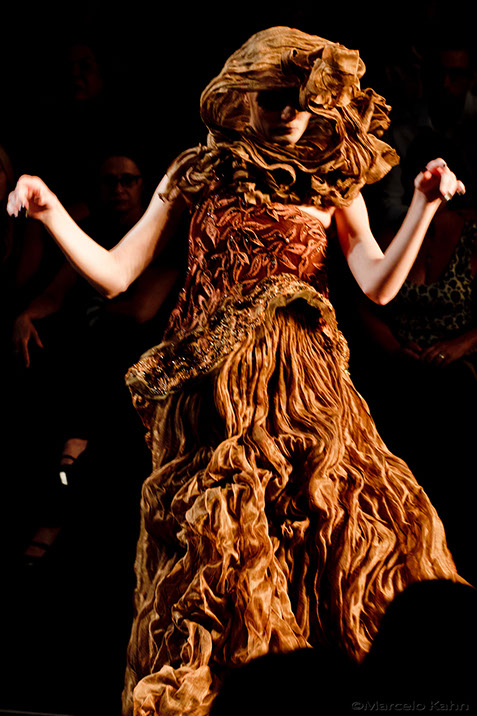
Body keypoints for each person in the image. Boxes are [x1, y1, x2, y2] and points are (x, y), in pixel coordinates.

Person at [7, 27, 468, 716]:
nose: (289, 113)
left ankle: (341, 691)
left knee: (342, 522)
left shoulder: (331, 177)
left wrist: (425, 205)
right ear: (243, 95)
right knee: (226, 542)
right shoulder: (196, 172)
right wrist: (49, 214)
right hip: (214, 392)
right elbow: (117, 273)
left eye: (303, 99)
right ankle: (238, 696)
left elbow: (376, 284)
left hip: (304, 384)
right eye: (274, 97)